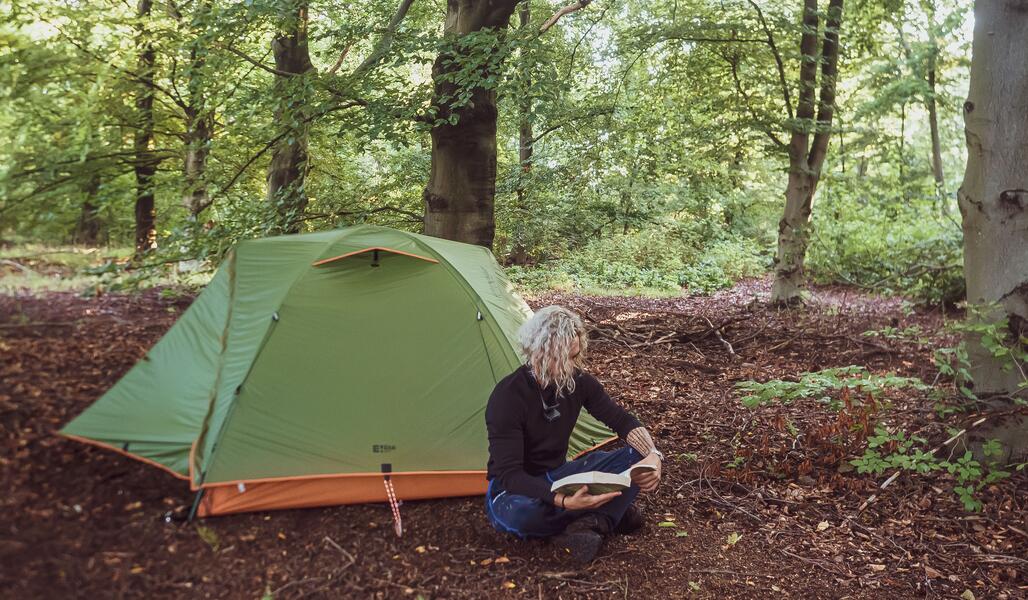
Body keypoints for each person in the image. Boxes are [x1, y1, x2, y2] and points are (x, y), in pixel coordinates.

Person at [484, 306, 664, 564]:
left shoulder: (578, 382)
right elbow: (510, 475)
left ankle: (594, 521)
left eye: (575, 356)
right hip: (512, 492)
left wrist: (654, 456)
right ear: (541, 350)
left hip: (560, 476)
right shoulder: (508, 397)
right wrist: (564, 501)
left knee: (639, 456)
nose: (572, 365)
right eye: (564, 358)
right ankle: (607, 510)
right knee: (523, 518)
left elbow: (621, 420)